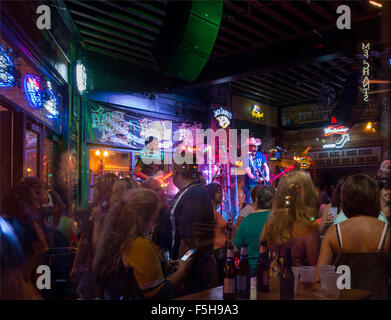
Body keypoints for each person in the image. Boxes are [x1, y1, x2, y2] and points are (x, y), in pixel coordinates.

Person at [92, 188, 194, 299]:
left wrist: (164, 264)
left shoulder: (115, 239)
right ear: (141, 220)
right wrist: (183, 269)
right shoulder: (138, 245)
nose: (154, 224)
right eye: (154, 218)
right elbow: (157, 293)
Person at [317, 173, 390, 299]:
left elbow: (319, 277)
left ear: (345, 199)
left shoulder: (333, 233)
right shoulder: (387, 231)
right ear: (374, 198)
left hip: (342, 296)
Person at [170, 158, 216, 294]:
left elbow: (191, 243)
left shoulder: (193, 195)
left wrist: (181, 267)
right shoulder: (192, 192)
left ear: (176, 172)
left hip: (194, 276)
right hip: (195, 271)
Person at [259, 170, 320, 267]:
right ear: (307, 195)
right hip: (297, 281)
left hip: (271, 279)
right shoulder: (309, 227)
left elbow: (262, 252)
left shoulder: (271, 223)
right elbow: (315, 268)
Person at [1, 185, 48, 299]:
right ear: (22, 206)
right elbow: (29, 272)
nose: (38, 206)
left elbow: (40, 272)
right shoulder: (23, 230)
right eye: (34, 201)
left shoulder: (31, 228)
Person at [234, 186, 275, 276]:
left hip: (250, 269)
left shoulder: (247, 219)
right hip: (272, 269)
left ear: (257, 200)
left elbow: (236, 246)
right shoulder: (277, 219)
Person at [206, 182, 228, 285]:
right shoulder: (210, 212)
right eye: (219, 192)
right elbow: (207, 236)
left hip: (220, 253)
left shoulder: (215, 212)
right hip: (216, 254)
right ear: (211, 194)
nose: (222, 195)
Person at [141, 178, 171, 252]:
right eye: (157, 190)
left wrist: (183, 260)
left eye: (161, 189)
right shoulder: (142, 220)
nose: (162, 192)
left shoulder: (173, 213)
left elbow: (192, 248)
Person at [243, 138, 270, 205]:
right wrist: (257, 179)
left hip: (261, 182)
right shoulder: (246, 157)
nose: (255, 147)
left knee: (263, 199)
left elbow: (265, 166)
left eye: (255, 145)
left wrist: (267, 176)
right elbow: (248, 173)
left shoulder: (260, 155)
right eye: (252, 145)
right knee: (253, 201)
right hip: (251, 183)